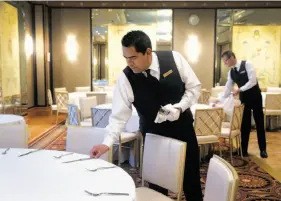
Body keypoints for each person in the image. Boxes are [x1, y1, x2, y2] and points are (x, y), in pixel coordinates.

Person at [90, 30, 203, 201]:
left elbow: (194, 88)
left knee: (191, 179)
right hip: (153, 134)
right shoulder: (126, 78)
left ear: (148, 52)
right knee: (157, 185)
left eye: (133, 57)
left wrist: (180, 108)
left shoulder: (174, 58)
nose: (129, 63)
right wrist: (106, 143)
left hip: (183, 130)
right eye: (126, 58)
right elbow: (119, 115)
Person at [219, 50, 268, 158]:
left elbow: (252, 81)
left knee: (259, 123)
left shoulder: (247, 64)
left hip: (255, 97)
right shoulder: (231, 72)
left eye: (225, 61)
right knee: (244, 124)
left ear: (232, 58)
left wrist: (240, 89)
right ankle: (244, 149)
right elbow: (228, 88)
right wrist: (220, 99)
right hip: (244, 99)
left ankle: (263, 150)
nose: (225, 63)